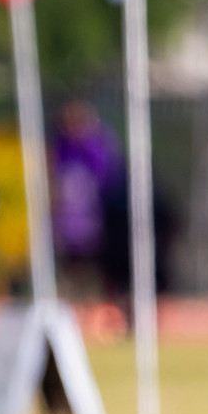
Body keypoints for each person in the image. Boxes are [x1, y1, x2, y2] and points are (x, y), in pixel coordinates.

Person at [50, 100, 123, 298]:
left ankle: (97, 297)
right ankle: (73, 295)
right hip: (68, 216)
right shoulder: (62, 146)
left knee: (96, 258)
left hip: (93, 213)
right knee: (71, 259)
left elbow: (107, 178)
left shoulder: (96, 146)